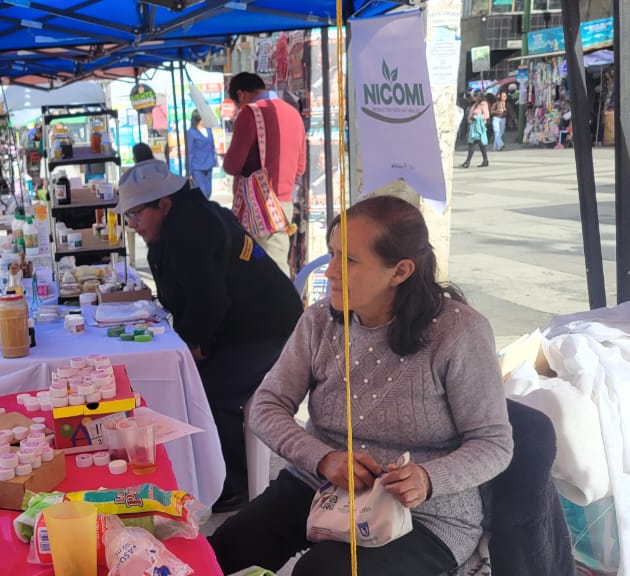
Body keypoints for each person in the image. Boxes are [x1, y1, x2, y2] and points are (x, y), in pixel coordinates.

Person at [209, 195, 514, 575]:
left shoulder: (459, 331)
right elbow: (267, 405)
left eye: (349, 260)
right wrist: (322, 457)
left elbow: (494, 442)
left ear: (400, 271)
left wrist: (427, 479)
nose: (331, 271)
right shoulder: (320, 321)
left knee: (321, 572)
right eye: (332, 253)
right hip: (321, 487)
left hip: (424, 514)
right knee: (217, 554)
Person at [118, 158, 303, 514]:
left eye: (137, 214)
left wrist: (196, 342)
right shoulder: (176, 223)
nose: (133, 225)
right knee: (194, 382)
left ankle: (236, 485)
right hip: (239, 325)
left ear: (165, 204)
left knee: (210, 391)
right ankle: (203, 470)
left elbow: (210, 298)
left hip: (269, 329)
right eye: (128, 217)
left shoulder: (191, 228)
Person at [224, 72, 305, 277]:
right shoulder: (294, 113)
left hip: (257, 205)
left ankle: (282, 309)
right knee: (278, 264)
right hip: (284, 203)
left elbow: (232, 165)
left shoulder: (250, 113)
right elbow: (301, 167)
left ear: (241, 95)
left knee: (258, 270)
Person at [186, 110, 217, 199]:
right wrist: (189, 171)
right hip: (197, 167)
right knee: (203, 192)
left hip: (209, 164)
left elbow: (212, 145)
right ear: (199, 120)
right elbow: (190, 152)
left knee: (209, 191)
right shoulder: (191, 132)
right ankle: (205, 211)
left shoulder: (208, 129)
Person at [462, 93, 490, 168]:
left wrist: (476, 117)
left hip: (479, 126)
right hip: (473, 125)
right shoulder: (475, 104)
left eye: (474, 96)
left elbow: (487, 115)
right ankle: (485, 160)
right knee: (480, 144)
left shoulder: (483, 104)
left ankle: (467, 161)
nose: (472, 97)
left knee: (472, 143)